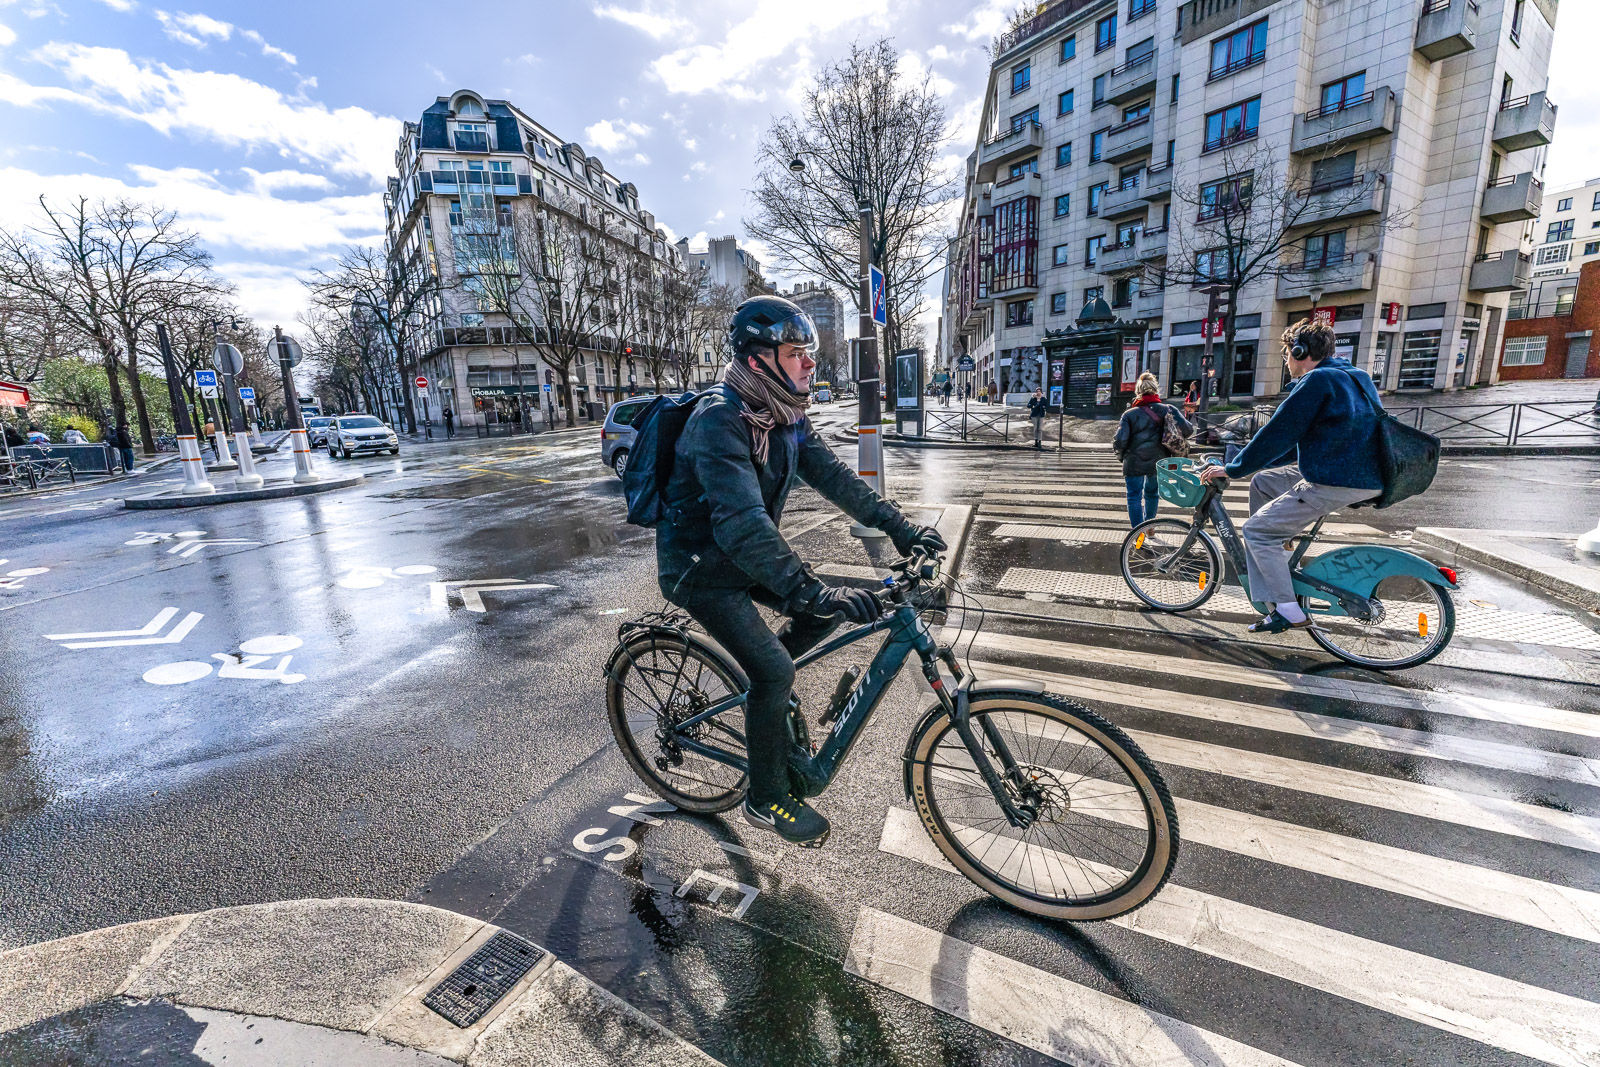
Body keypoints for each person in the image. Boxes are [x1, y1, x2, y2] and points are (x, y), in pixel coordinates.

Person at [657, 295, 946, 847]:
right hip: (701, 570)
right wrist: (810, 591)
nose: (810, 363)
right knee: (776, 667)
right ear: (759, 360)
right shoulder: (719, 422)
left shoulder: (784, 417)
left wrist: (900, 527)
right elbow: (741, 523)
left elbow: (836, 479)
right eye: (797, 353)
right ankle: (765, 798)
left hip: (744, 556)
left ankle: (763, 695)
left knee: (819, 622)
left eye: (808, 352)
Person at [1199, 319, 1383, 635]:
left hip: (1337, 477)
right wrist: (1250, 467)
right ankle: (1277, 560)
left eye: (1287, 353)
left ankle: (1287, 610)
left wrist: (1233, 469)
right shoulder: (1355, 377)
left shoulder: (1318, 381)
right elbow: (1295, 442)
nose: (1286, 361)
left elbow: (1277, 434)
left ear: (1300, 351)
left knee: (1255, 531)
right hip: (1360, 471)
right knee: (1264, 482)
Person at [1113, 372, 1191, 526]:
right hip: (1159, 461)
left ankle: (1138, 533)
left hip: (1133, 462)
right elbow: (1188, 431)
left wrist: (1122, 457)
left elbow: (1120, 441)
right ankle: (1150, 527)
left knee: (1134, 497)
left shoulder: (1129, 414)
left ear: (1138, 391)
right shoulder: (1168, 409)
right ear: (1155, 390)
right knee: (1152, 494)